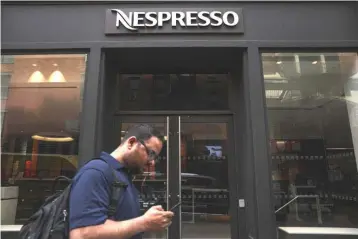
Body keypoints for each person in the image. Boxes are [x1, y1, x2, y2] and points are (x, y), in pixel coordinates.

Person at [69, 124, 174, 239]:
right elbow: (81, 234)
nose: (152, 162)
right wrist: (144, 222)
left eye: (155, 157)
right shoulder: (96, 172)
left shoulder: (123, 175)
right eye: (150, 153)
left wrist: (146, 220)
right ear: (131, 143)